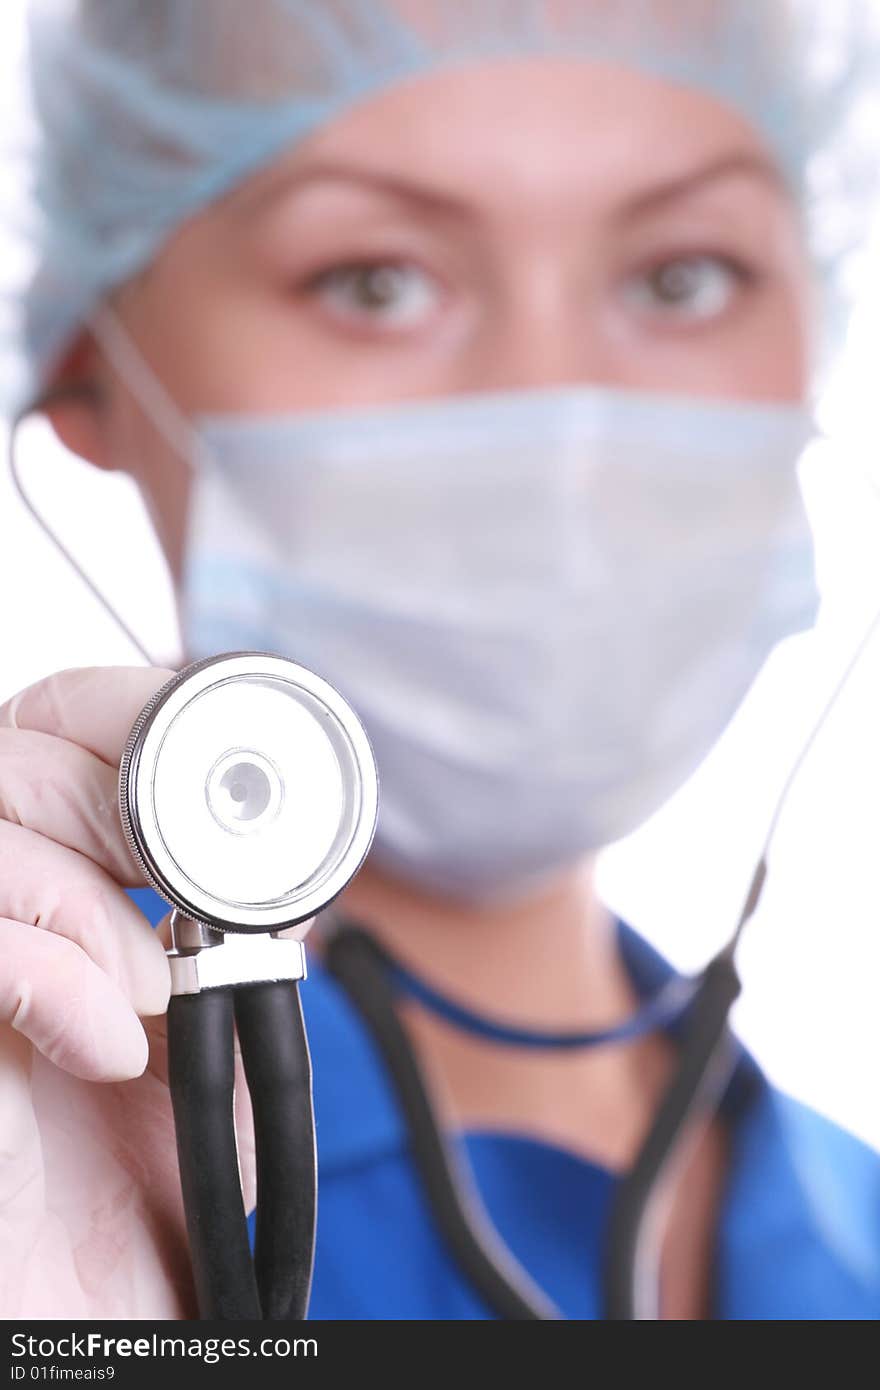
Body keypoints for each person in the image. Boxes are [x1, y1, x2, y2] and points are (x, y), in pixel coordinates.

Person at [1, 0, 879, 1321]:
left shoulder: (853, 1220)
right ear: (91, 367)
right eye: (375, 281)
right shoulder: (35, 1145)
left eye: (684, 275)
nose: (560, 420)